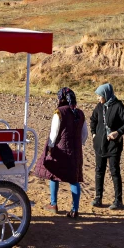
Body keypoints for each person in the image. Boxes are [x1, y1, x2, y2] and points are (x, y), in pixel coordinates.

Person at [34, 86, 88, 218]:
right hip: (76, 151)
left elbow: (54, 133)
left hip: (60, 149)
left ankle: (53, 204)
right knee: (74, 179)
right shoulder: (80, 113)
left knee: (54, 174)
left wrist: (51, 147)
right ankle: (74, 210)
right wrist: (78, 144)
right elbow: (85, 135)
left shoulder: (59, 112)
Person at [91, 82, 124, 210]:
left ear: (106, 94)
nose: (98, 98)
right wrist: (94, 134)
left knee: (114, 172)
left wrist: (118, 132)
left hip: (113, 146)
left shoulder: (118, 106)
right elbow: (93, 119)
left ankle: (118, 200)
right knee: (99, 170)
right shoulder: (100, 106)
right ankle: (98, 198)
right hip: (100, 145)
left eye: (99, 96)